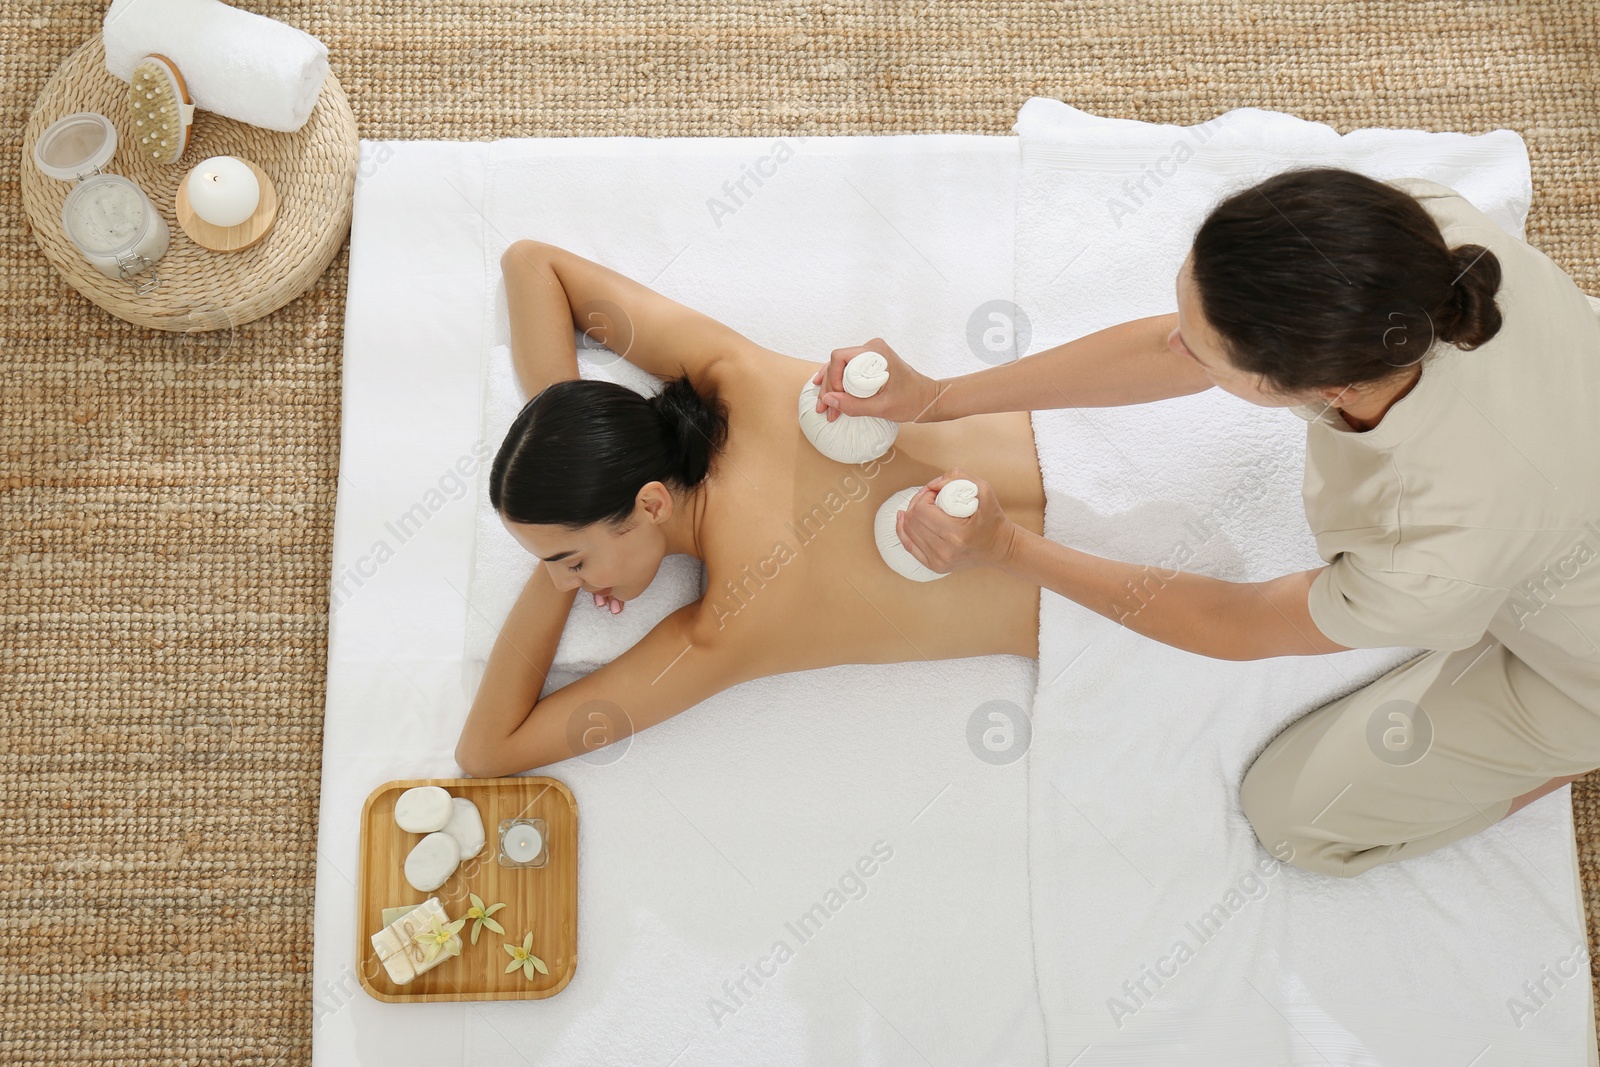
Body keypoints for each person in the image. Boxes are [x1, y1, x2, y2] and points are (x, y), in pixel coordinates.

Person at [811, 167, 1600, 877]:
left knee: (1296, 819)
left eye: (1207, 352)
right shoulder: (1417, 237)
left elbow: (1245, 621)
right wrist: (938, 397)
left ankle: (1563, 746)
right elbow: (1172, 346)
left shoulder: (1429, 542)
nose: (1177, 339)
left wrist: (1009, 547)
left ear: (1319, 384)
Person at [453, 240, 1047, 778]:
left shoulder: (734, 624)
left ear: (651, 502)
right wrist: (568, 453)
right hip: (1082, 442)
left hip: (1088, 603)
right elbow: (531, 262)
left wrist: (567, 519)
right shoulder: (734, 375)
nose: (566, 583)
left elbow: (488, 750)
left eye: (571, 562)